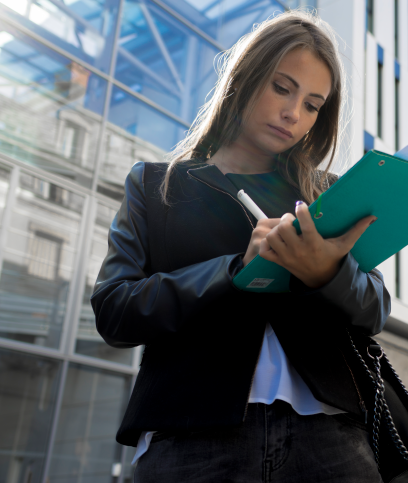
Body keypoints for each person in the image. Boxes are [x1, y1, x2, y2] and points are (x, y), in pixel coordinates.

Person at [91, 10, 390, 483]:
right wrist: (233, 271)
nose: (294, 114)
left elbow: (375, 308)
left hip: (330, 438)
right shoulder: (154, 186)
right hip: (190, 437)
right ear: (244, 79)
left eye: (313, 104)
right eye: (282, 87)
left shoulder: (327, 195)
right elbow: (114, 310)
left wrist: (326, 274)